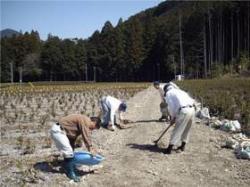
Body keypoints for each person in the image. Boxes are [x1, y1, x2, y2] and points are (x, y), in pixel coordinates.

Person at [50, 114, 101, 182]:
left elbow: (72, 136)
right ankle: (70, 173)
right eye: (93, 127)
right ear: (94, 122)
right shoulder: (85, 120)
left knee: (70, 152)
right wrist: (90, 148)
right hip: (58, 130)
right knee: (68, 151)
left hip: (61, 131)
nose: (91, 130)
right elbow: (86, 135)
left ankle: (67, 167)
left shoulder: (83, 121)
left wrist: (72, 147)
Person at [163, 82, 195, 154]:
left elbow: (171, 107)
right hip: (192, 109)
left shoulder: (169, 93)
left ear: (166, 90)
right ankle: (182, 146)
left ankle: (169, 149)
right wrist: (174, 117)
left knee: (177, 130)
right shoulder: (180, 91)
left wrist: (172, 118)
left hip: (184, 111)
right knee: (187, 129)